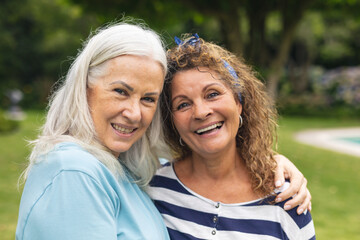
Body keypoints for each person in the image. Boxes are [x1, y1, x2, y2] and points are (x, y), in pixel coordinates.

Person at [16, 20, 310, 240]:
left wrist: (269, 161)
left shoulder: (134, 173)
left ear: (240, 102)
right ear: (85, 89)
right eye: (120, 91)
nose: (133, 113)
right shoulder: (76, 172)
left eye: (148, 99)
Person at [148, 34, 315, 239]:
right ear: (172, 122)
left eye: (212, 94)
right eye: (183, 104)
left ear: (238, 103)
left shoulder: (287, 198)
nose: (201, 112)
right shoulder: (155, 190)